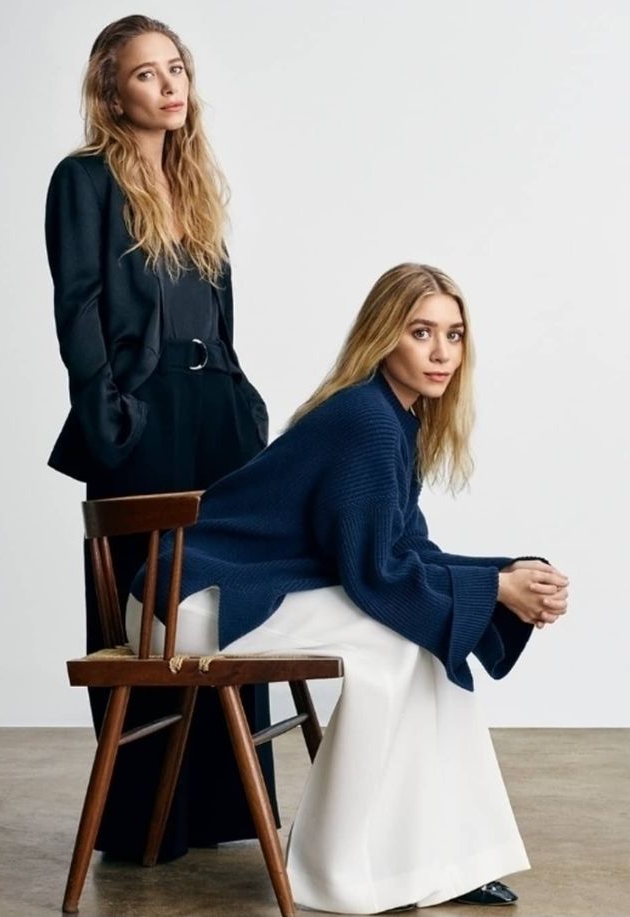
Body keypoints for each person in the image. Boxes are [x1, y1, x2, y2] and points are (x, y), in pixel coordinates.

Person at [127, 262, 569, 913]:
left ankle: (451, 859)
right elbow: (376, 575)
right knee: (398, 648)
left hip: (239, 590)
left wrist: (505, 573)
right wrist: (497, 588)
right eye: (421, 332)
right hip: (193, 598)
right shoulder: (364, 418)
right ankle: (330, 871)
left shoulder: (395, 420)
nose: (441, 351)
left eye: (453, 334)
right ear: (384, 334)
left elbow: (407, 551)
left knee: (423, 647)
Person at [45, 14, 276, 861]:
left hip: (217, 412)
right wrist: (112, 420)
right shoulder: (84, 179)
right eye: (146, 73)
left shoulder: (195, 180)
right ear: (113, 88)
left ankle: (222, 811)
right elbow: (77, 309)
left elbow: (218, 311)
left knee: (221, 606)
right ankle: (147, 825)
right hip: (140, 415)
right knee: (145, 614)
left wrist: (244, 402)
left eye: (175, 67)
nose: (169, 84)